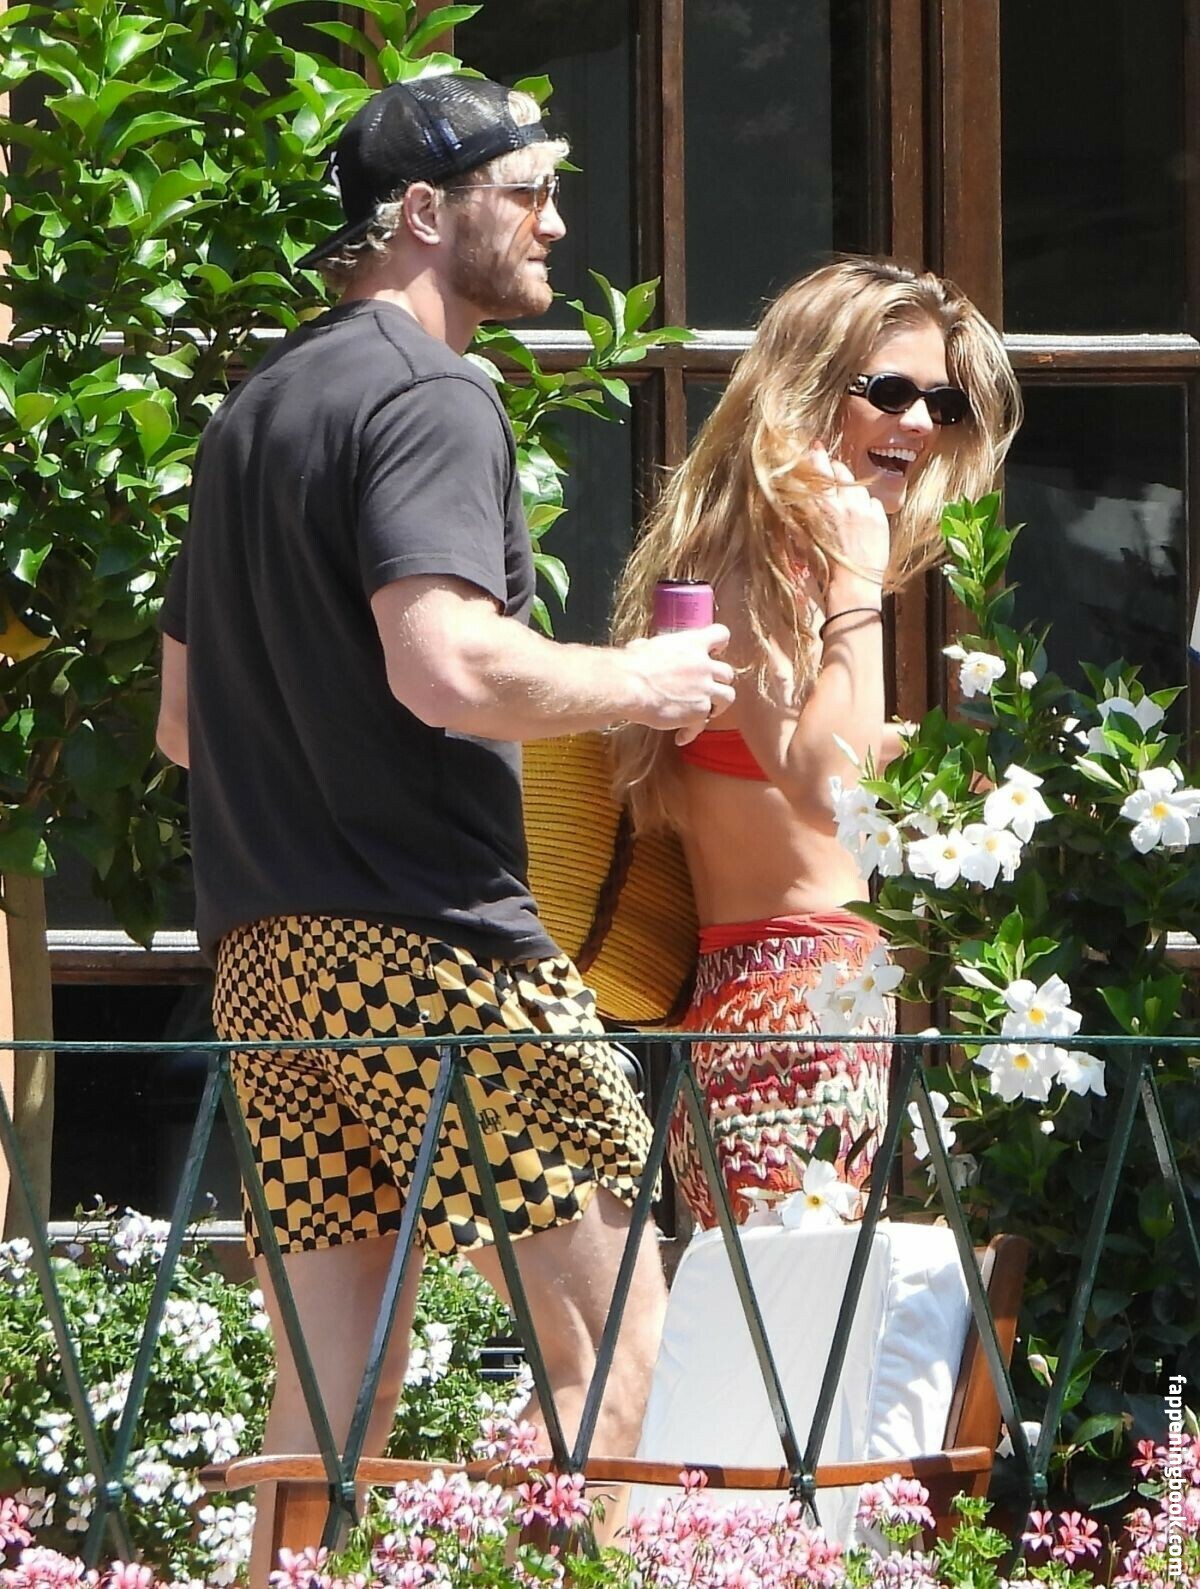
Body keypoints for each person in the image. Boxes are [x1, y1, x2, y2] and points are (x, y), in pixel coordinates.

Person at [154, 74, 734, 1583]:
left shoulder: (254, 413)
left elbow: (182, 725)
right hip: (433, 943)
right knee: (614, 1326)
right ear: (424, 211)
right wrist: (645, 680)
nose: (558, 225)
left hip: (269, 958)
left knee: (327, 1397)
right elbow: (448, 667)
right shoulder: (433, 394)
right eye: (527, 194)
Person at [610, 257, 1021, 1228]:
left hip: (791, 997)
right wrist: (856, 587)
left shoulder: (757, 551)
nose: (919, 424)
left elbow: (817, 758)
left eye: (940, 402)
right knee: (798, 1310)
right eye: (890, 392)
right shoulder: (756, 556)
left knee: (787, 1308)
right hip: (789, 1006)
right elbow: (822, 781)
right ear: (807, 386)